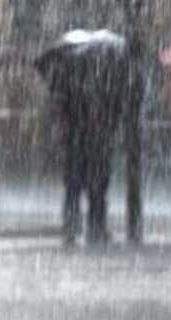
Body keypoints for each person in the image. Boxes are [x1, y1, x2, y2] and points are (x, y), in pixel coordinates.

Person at [52, 54, 129, 247]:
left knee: (76, 188)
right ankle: (94, 227)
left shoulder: (69, 85)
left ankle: (74, 226)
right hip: (93, 144)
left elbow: (61, 115)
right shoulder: (104, 85)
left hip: (79, 144)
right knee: (94, 188)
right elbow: (114, 113)